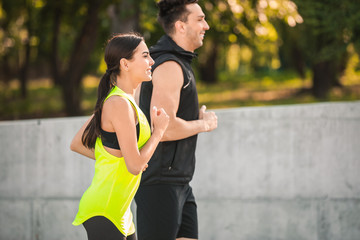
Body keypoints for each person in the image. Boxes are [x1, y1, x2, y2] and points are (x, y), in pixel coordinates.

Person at [70, 33, 169, 240]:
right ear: (125, 64)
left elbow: (78, 143)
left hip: (121, 212)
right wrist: (158, 132)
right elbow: (134, 166)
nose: (151, 61)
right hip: (105, 208)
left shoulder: (123, 101)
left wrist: (121, 157)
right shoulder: (118, 104)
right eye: (145, 56)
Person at [135, 1, 218, 240]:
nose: (207, 25)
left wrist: (194, 119)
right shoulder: (170, 65)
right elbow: (165, 127)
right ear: (181, 26)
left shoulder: (177, 62)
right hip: (161, 183)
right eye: (200, 19)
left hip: (179, 182)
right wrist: (204, 124)